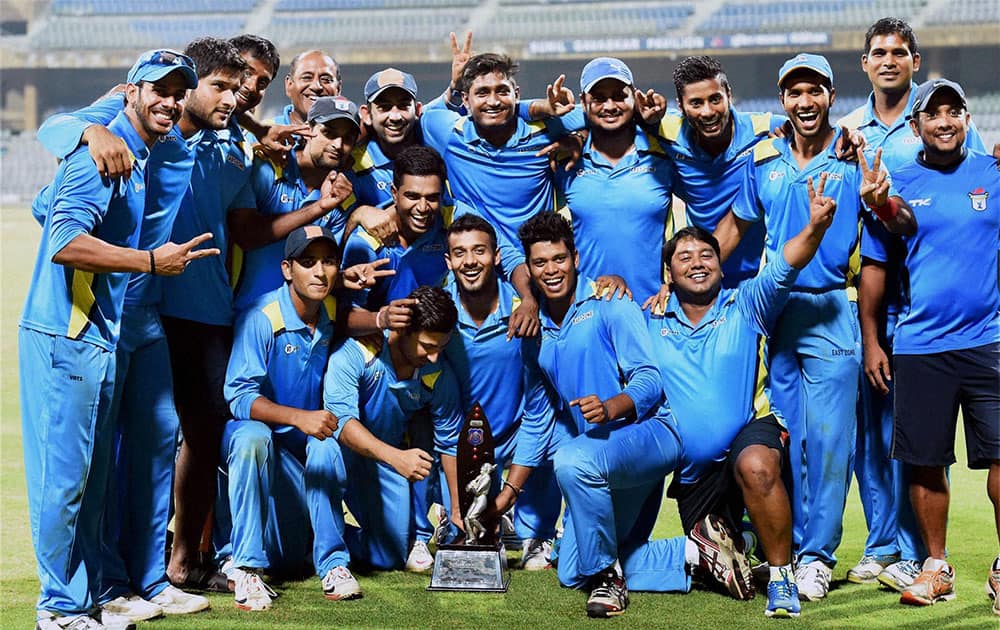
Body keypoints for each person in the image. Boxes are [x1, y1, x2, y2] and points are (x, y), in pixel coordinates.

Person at [21, 50, 216, 630]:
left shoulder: (148, 153)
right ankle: (57, 609)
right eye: (158, 89)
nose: (170, 100)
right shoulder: (101, 152)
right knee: (65, 483)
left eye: (179, 92)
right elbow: (64, 242)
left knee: (91, 478)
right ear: (129, 92)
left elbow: (43, 206)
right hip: (66, 333)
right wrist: (149, 261)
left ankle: (88, 599)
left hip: (95, 332)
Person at [712, 53, 912, 601]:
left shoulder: (854, 162)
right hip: (776, 314)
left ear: (830, 96)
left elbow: (880, 240)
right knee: (789, 438)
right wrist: (684, 278)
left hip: (830, 311)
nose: (805, 102)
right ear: (782, 100)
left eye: (815, 92)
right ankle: (794, 548)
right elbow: (734, 227)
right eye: (794, 93)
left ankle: (818, 557)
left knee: (829, 443)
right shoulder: (765, 162)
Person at [836, 17, 987, 590]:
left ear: (915, 62)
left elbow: (968, 204)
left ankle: (915, 551)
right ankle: (881, 546)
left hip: (934, 308)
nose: (889, 59)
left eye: (900, 51)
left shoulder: (951, 134)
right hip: (883, 301)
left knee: (918, 437)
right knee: (877, 436)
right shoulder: (847, 131)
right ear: (866, 64)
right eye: (879, 52)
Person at [647, 171, 839, 617]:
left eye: (706, 254)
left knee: (755, 464)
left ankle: (781, 579)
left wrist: (814, 228)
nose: (697, 262)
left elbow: (787, 262)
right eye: (684, 257)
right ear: (668, 274)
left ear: (720, 263)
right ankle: (744, 540)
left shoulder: (747, 301)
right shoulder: (649, 319)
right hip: (694, 472)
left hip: (752, 436)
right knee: (717, 559)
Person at [518, 212, 693, 618]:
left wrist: (611, 406)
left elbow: (650, 379)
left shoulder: (610, 301)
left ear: (575, 257)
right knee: (569, 570)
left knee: (570, 461)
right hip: (599, 458)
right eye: (540, 263)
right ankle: (696, 554)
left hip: (651, 435)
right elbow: (537, 417)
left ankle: (608, 580)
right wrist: (506, 496)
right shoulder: (536, 329)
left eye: (559, 259)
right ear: (529, 268)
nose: (551, 270)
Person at [869, 79, 998, 613]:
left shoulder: (993, 173)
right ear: (916, 125)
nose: (945, 121)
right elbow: (887, 245)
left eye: (955, 112)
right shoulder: (895, 181)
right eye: (934, 114)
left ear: (967, 119)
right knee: (925, 462)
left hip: (991, 342)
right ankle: (936, 566)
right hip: (920, 345)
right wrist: (873, 340)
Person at [156, 38, 255, 591]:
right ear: (188, 83)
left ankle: (185, 560)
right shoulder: (148, 134)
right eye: (220, 87)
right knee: (144, 438)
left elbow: (250, 223)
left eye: (238, 91)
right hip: (148, 307)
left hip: (208, 312)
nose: (233, 99)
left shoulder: (233, 150)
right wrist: (92, 127)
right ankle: (135, 567)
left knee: (203, 436)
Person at [221, 226, 362, 611]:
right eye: (307, 262)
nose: (319, 272)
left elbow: (362, 321)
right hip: (259, 450)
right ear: (287, 269)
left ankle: (334, 565)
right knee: (253, 436)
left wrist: (384, 322)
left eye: (329, 262)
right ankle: (246, 568)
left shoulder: (330, 313)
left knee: (326, 439)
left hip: (297, 463)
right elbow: (238, 396)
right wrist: (299, 417)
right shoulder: (261, 317)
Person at [441, 214, 560, 569]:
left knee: (561, 436)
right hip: (462, 442)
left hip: (516, 434)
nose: (470, 261)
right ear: (448, 262)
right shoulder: (438, 312)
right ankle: (437, 525)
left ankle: (536, 532)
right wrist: (460, 508)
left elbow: (539, 409)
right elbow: (443, 417)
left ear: (496, 256)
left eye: (479, 251)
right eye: (460, 253)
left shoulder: (525, 313)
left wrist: (509, 493)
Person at [322, 285, 463, 571]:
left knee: (389, 555)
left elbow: (449, 442)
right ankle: (319, 532)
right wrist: (396, 458)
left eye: (441, 347)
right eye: (427, 346)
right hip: (343, 452)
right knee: (322, 451)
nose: (435, 357)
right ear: (402, 332)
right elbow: (341, 422)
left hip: (384, 460)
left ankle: (335, 534)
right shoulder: (358, 351)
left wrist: (458, 510)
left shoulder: (436, 371)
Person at [648, 55, 784, 291]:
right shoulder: (666, 130)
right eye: (696, 103)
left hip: (747, 281)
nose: (708, 111)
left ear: (728, 95)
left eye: (715, 99)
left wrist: (848, 141)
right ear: (680, 106)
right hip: (696, 278)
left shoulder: (766, 130)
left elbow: (821, 136)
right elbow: (606, 120)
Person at [551, 57, 674, 301]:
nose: (610, 105)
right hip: (588, 310)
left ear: (635, 99)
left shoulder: (663, 154)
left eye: (619, 95)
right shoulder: (566, 159)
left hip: (651, 309)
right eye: (598, 98)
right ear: (583, 103)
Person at [230, 96, 360, 313]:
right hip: (243, 314)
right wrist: (319, 206)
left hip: (298, 324)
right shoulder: (267, 166)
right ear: (309, 130)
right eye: (329, 133)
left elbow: (322, 269)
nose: (338, 145)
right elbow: (247, 236)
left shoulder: (344, 196)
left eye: (348, 138)